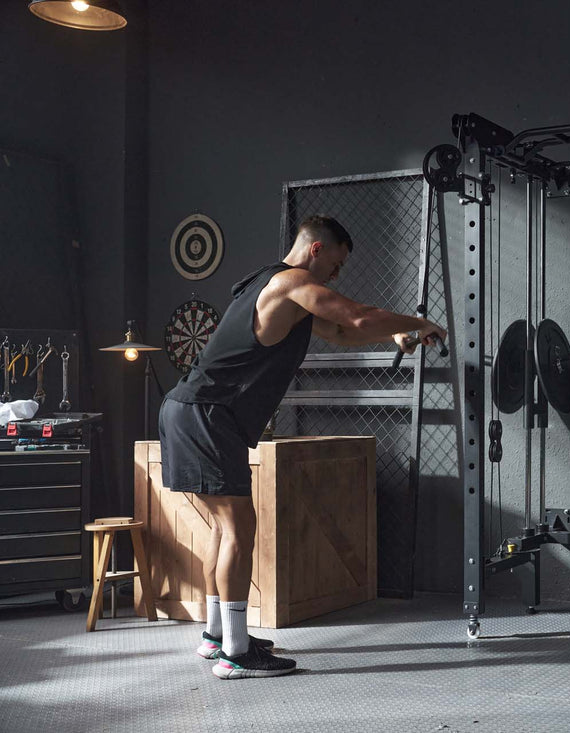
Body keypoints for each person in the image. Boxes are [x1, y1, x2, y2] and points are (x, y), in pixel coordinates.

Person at [158, 214, 447, 680]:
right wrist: (421, 321)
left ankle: (217, 636)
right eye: (336, 263)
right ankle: (235, 652)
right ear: (316, 250)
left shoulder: (272, 287)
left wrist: (393, 332)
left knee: (221, 528)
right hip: (207, 414)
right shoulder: (292, 282)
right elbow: (356, 315)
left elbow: (344, 331)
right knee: (237, 528)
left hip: (190, 409)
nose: (337, 274)